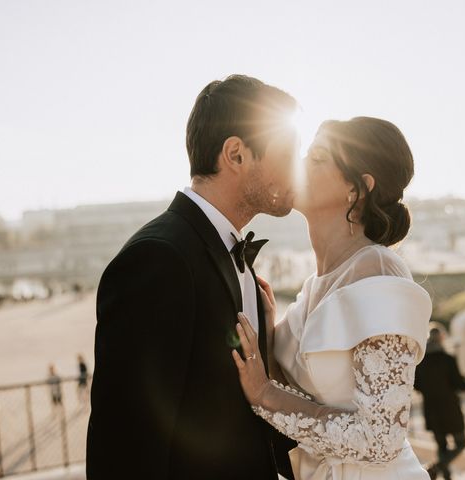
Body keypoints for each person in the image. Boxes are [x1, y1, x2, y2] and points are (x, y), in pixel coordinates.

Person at [86, 74, 300, 480]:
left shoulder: (234, 256)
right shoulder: (158, 259)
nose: (299, 169)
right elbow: (125, 441)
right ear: (236, 154)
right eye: (289, 153)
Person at [232, 117, 432, 479]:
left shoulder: (378, 272)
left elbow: (380, 440)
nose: (300, 164)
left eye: (319, 157)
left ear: (357, 190)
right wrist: (270, 328)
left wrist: (264, 393)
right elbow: (309, 399)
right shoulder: (313, 285)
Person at [414, 324, 465, 480]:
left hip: (431, 409)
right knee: (462, 443)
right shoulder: (448, 359)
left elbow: (416, 385)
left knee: (442, 446)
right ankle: (438, 467)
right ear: (441, 339)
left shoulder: (420, 363)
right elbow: (460, 384)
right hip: (450, 409)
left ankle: (442, 472)